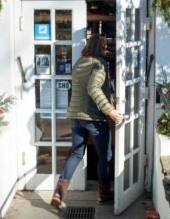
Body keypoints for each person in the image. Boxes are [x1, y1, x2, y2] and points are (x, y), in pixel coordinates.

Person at [50, 34, 123, 210]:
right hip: (94, 118)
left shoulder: (80, 62)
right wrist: (110, 110)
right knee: (104, 156)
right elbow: (93, 87)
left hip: (76, 117)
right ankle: (104, 195)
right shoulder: (99, 63)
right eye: (106, 47)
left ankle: (58, 194)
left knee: (76, 154)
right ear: (103, 47)